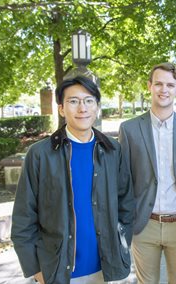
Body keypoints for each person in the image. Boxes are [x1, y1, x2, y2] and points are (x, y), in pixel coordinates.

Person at [11, 75, 134, 284]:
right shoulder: (40, 154)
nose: (82, 108)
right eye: (73, 101)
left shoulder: (113, 150)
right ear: (61, 108)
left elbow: (126, 205)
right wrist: (35, 268)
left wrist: (121, 244)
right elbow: (24, 216)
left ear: (97, 107)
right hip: (57, 270)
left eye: (88, 101)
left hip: (106, 268)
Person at [118, 62, 176, 284]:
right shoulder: (129, 129)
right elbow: (123, 181)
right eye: (158, 83)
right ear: (149, 86)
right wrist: (126, 221)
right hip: (143, 225)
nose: (164, 89)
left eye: (170, 84)